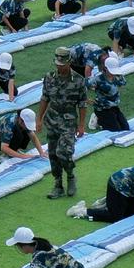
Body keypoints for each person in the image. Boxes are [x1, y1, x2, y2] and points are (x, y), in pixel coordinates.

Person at [40, 46, 88, 199]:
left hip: (68, 122)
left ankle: (70, 176)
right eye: (57, 64)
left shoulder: (79, 80)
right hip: (52, 119)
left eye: (62, 64)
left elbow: (82, 104)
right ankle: (58, 185)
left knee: (64, 152)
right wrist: (38, 119)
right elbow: (45, 98)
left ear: (69, 62)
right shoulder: (49, 77)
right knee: (53, 154)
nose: (59, 67)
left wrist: (81, 125)